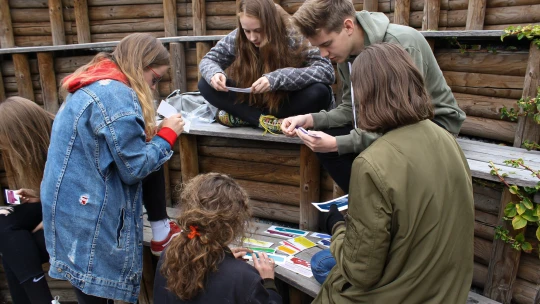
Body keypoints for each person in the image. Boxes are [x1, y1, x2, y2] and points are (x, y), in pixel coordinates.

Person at [309, 43, 474, 303]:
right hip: (448, 288)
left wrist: (337, 226)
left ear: (364, 95)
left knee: (320, 262)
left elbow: (360, 272)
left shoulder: (372, 162)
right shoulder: (447, 138)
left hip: (402, 293)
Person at [40, 33, 185, 303]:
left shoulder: (93, 84)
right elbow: (135, 168)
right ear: (139, 65)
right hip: (89, 219)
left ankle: (161, 229)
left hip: (71, 214)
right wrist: (168, 136)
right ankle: (161, 230)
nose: (154, 88)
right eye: (155, 79)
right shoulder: (117, 95)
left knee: (89, 293)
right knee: (96, 295)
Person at [281, 0, 466, 192]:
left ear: (348, 26)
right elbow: (349, 108)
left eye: (327, 44)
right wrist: (310, 119)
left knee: (357, 150)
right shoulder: (345, 54)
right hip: (386, 123)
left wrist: (339, 143)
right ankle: (365, 204)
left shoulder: (401, 43)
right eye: (318, 47)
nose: (324, 54)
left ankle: (380, 208)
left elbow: (405, 122)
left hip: (432, 124)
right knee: (325, 143)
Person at [198, 0, 335, 134]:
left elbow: (326, 70)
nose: (252, 37)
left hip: (285, 102)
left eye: (258, 30)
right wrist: (214, 74)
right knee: (205, 84)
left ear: (271, 23)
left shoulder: (295, 33)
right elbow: (209, 60)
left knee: (320, 92)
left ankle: (245, 118)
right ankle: (263, 120)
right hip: (254, 101)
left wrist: (277, 78)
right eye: (247, 31)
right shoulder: (239, 37)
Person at [154, 173, 281, 304]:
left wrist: (225, 258)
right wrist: (268, 283)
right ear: (234, 221)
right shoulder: (245, 278)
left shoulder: (168, 256)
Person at [0, 97, 60, 304]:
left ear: (20, 134)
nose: (5, 149)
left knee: (15, 250)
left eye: (6, 142)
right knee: (5, 227)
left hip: (80, 214)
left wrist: (52, 218)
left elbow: (84, 192)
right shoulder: (40, 145)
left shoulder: (64, 141)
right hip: (55, 205)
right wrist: (38, 194)